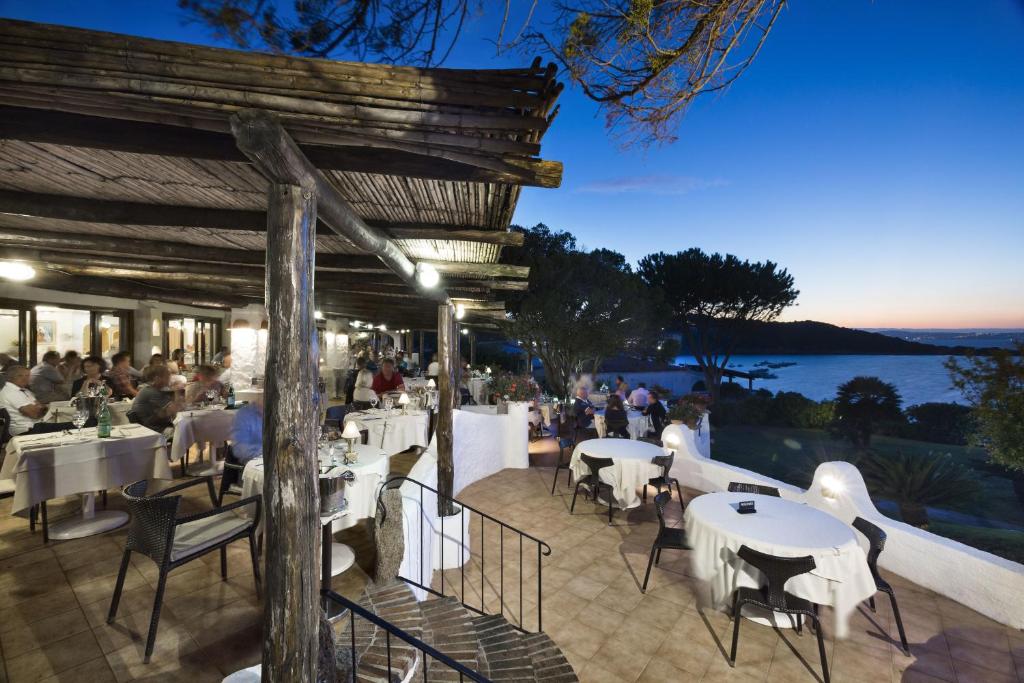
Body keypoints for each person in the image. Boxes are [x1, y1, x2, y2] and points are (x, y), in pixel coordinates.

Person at [0, 365, 74, 435]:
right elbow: (34, 414)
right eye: (20, 375)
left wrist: (40, 407)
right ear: (10, 377)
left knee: (71, 421)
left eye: (27, 375)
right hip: (27, 430)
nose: (25, 378)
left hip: (38, 425)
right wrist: (40, 408)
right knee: (74, 426)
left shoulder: (24, 390)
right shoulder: (11, 392)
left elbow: (40, 407)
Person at [131, 365, 180, 433]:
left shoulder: (148, 389)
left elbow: (166, 412)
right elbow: (175, 409)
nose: (169, 379)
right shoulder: (151, 392)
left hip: (153, 426)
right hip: (153, 429)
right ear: (157, 378)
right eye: (167, 377)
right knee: (182, 431)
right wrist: (177, 391)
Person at [231, 398, 264, 464]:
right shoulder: (244, 414)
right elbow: (240, 450)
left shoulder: (279, 414)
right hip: (252, 467)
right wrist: (267, 452)